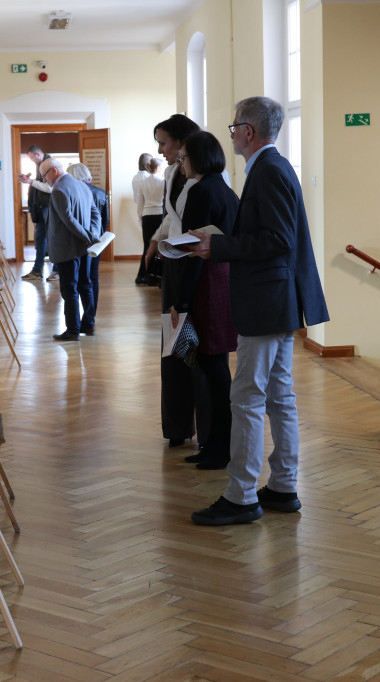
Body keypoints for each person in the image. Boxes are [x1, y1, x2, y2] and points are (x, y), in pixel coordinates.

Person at [187, 97, 329, 526]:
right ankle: (283, 484)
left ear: (249, 131)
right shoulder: (271, 168)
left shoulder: (268, 171)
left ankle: (242, 493)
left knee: (247, 397)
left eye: (234, 127)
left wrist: (219, 246)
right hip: (275, 301)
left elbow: (278, 240)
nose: (231, 133)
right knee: (278, 395)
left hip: (266, 303)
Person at [166, 131, 239, 470]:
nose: (180, 163)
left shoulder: (199, 191)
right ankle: (218, 446)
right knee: (216, 366)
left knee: (212, 369)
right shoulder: (224, 189)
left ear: (197, 157)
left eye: (183, 157)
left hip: (206, 283)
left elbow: (194, 251)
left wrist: (180, 303)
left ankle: (220, 448)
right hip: (223, 281)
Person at [148, 114, 201, 448]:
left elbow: (189, 225)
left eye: (164, 142)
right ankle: (178, 426)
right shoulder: (171, 173)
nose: (160, 150)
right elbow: (171, 218)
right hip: (175, 265)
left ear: (182, 142)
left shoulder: (200, 180)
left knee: (192, 345)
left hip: (191, 268)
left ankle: (196, 424)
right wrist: (156, 241)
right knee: (173, 344)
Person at [40, 158, 100, 341]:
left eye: (44, 176)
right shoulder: (82, 185)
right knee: (85, 284)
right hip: (84, 248)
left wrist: (88, 237)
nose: (44, 180)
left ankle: (73, 330)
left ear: (54, 171)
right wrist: (93, 236)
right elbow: (95, 213)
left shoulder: (59, 189)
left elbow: (69, 221)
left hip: (67, 249)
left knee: (69, 289)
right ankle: (88, 324)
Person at [66, 163, 107, 331]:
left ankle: (84, 319)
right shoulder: (101, 193)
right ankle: (90, 317)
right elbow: (105, 220)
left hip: (80, 242)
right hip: (97, 242)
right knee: (92, 278)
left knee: (79, 280)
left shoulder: (75, 193)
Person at [19, 145, 56, 281]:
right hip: (40, 207)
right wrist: (29, 180)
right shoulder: (41, 165)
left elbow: (50, 188)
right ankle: (37, 271)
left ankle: (56, 270)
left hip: (48, 207)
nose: (31, 160)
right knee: (40, 240)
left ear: (37, 155)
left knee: (52, 239)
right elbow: (39, 184)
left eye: (31, 158)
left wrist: (31, 182)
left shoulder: (49, 164)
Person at [135, 156, 164, 286]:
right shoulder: (163, 182)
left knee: (147, 246)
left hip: (147, 216)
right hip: (159, 215)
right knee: (158, 245)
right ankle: (156, 276)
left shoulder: (143, 183)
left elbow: (140, 203)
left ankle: (143, 274)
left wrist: (140, 217)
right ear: (158, 168)